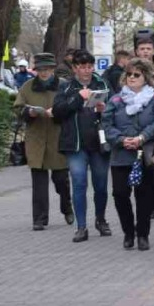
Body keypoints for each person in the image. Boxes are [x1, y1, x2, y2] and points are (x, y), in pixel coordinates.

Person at [102, 60, 154, 250]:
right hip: (121, 154)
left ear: (146, 77)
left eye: (137, 74)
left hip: (143, 154)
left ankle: (143, 234)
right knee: (120, 194)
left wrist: (142, 137)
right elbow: (106, 124)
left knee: (144, 195)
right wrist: (121, 139)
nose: (132, 78)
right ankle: (128, 232)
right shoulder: (116, 100)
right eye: (129, 74)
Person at [52, 48, 112, 242]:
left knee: (101, 185)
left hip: (99, 143)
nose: (87, 70)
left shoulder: (102, 83)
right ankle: (81, 226)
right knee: (79, 183)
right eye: (82, 67)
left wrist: (105, 109)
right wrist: (79, 97)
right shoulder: (67, 86)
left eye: (89, 66)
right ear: (75, 68)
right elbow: (58, 112)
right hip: (75, 144)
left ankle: (101, 219)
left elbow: (116, 107)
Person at [12, 53, 73, 230]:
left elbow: (72, 107)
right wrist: (29, 112)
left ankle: (67, 208)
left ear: (53, 69)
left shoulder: (64, 85)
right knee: (39, 182)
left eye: (47, 69)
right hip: (36, 139)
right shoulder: (27, 87)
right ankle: (39, 219)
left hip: (58, 138)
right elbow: (18, 108)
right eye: (40, 69)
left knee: (61, 179)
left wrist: (58, 112)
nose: (44, 72)